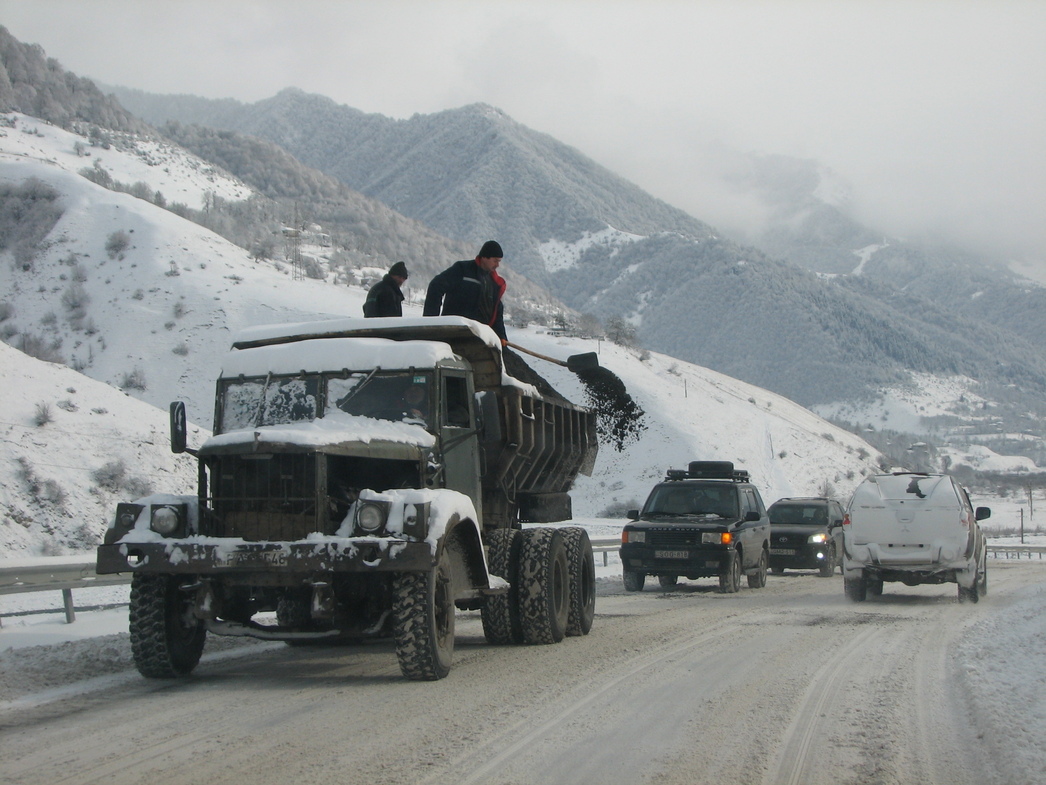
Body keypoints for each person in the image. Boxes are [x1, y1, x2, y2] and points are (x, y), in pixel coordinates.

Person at [423, 241, 507, 344]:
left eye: (499, 261)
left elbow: (497, 312)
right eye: (495, 261)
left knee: (513, 360)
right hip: (456, 333)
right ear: (484, 257)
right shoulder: (462, 270)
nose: (497, 265)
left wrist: (502, 336)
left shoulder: (494, 283)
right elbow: (436, 286)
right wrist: (431, 322)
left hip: (481, 337)